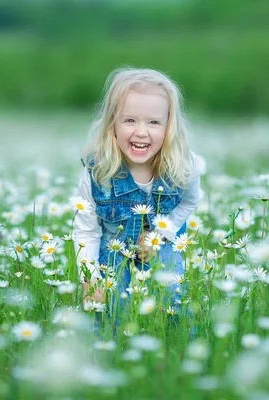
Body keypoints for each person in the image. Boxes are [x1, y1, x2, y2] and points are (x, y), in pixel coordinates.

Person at [72, 67, 203, 326]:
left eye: (154, 122)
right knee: (107, 309)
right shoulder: (98, 173)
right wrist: (90, 278)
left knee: (172, 300)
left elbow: (189, 201)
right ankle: (107, 353)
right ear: (112, 125)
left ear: (169, 127)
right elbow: (86, 232)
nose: (141, 132)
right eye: (130, 120)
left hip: (161, 241)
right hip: (113, 244)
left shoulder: (184, 167)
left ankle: (174, 347)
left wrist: (160, 235)